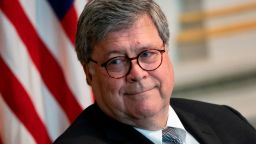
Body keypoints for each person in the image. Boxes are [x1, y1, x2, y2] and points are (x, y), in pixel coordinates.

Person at [54, 0, 256, 143]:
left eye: (147, 54)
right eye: (116, 61)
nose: (137, 73)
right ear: (89, 73)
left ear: (166, 52)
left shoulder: (225, 120)